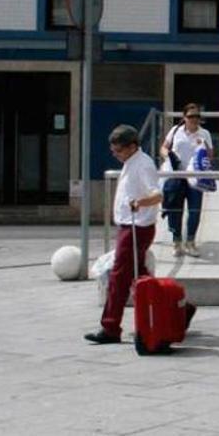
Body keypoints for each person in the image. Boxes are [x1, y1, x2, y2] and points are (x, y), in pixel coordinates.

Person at [85, 125, 162, 345]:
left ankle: (110, 327)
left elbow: (157, 195)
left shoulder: (143, 164)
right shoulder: (131, 162)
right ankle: (180, 309)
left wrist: (139, 203)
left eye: (118, 150)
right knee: (141, 275)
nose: (115, 154)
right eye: (113, 151)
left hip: (136, 228)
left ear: (132, 146)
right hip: (129, 226)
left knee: (120, 276)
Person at [160, 103, 213, 257]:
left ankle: (190, 242)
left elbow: (210, 154)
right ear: (184, 118)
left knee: (195, 210)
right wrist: (168, 157)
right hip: (177, 175)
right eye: (191, 116)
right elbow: (164, 148)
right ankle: (177, 242)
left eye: (197, 116)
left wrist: (202, 161)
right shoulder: (175, 131)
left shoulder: (204, 134)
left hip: (195, 178)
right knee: (175, 209)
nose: (194, 119)